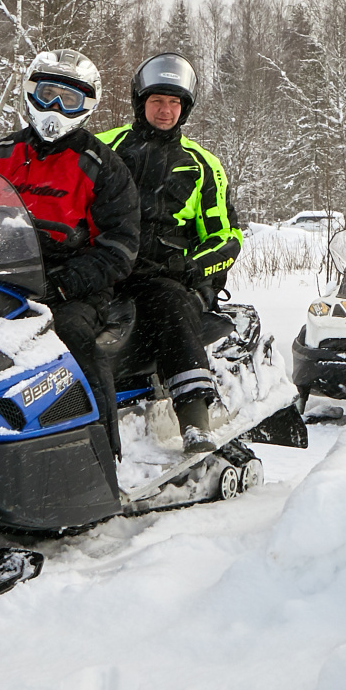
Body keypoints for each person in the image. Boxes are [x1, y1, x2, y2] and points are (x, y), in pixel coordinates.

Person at [0, 50, 140, 429]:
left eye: (68, 99)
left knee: (70, 336)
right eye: (48, 93)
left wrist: (64, 284)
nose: (55, 106)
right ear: (30, 93)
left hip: (71, 289)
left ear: (86, 105)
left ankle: (100, 441)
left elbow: (120, 248)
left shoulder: (102, 166)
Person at [99, 52, 240, 453]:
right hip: (106, 267)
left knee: (170, 304)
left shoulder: (202, 165)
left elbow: (227, 237)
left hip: (166, 275)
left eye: (174, 103)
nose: (165, 110)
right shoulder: (104, 149)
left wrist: (190, 266)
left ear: (185, 109)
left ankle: (194, 418)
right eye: (157, 101)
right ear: (140, 103)